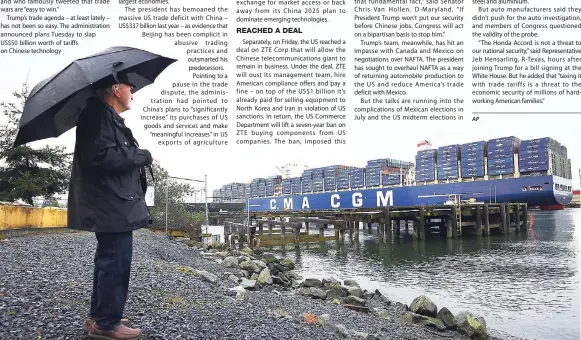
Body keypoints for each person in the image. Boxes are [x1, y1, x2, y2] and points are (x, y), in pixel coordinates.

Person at [67, 72, 153, 340]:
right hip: (111, 204)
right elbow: (103, 157)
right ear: (116, 89)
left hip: (111, 203)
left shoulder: (102, 115)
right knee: (116, 261)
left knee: (108, 261)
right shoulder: (98, 115)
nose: (133, 93)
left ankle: (100, 316)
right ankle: (107, 324)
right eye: (130, 87)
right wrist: (142, 155)